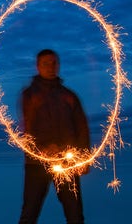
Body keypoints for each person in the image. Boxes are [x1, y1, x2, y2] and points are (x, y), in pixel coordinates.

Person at [18, 49, 91, 224]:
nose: (51, 67)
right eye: (46, 64)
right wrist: (43, 148)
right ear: (37, 67)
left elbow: (81, 127)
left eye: (54, 63)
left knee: (75, 214)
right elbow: (27, 127)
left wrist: (84, 157)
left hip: (67, 163)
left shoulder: (69, 96)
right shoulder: (30, 95)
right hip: (37, 163)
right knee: (30, 213)